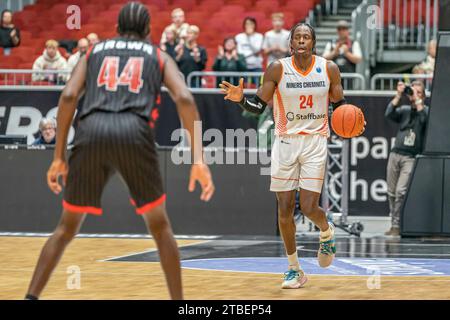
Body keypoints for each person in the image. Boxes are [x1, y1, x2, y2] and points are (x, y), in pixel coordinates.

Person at [25, 2, 214, 301]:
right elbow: (186, 99)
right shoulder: (158, 55)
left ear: (116, 28)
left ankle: (30, 296)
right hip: (134, 133)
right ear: (149, 30)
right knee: (160, 227)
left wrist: (59, 156)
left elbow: (69, 95)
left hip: (91, 132)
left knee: (65, 228)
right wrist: (199, 160)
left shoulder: (93, 51)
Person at [220, 23, 363, 289]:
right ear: (290, 43)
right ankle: (294, 269)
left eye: (306, 37)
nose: (301, 40)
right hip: (285, 142)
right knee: (284, 208)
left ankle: (326, 230)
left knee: (308, 207)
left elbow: (341, 107)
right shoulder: (277, 68)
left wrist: (351, 122)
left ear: (313, 43)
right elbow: (256, 106)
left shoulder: (329, 68)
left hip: (314, 143)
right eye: (296, 37)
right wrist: (241, 99)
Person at [384, 81, 429, 236]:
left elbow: (425, 120)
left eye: (419, 92)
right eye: (413, 91)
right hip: (395, 153)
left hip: (410, 157)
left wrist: (417, 100)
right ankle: (394, 224)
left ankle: (398, 225)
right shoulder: (405, 110)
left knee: (401, 192)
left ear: (423, 95)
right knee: (391, 192)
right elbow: (389, 113)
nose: (414, 94)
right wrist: (399, 94)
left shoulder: (426, 111)